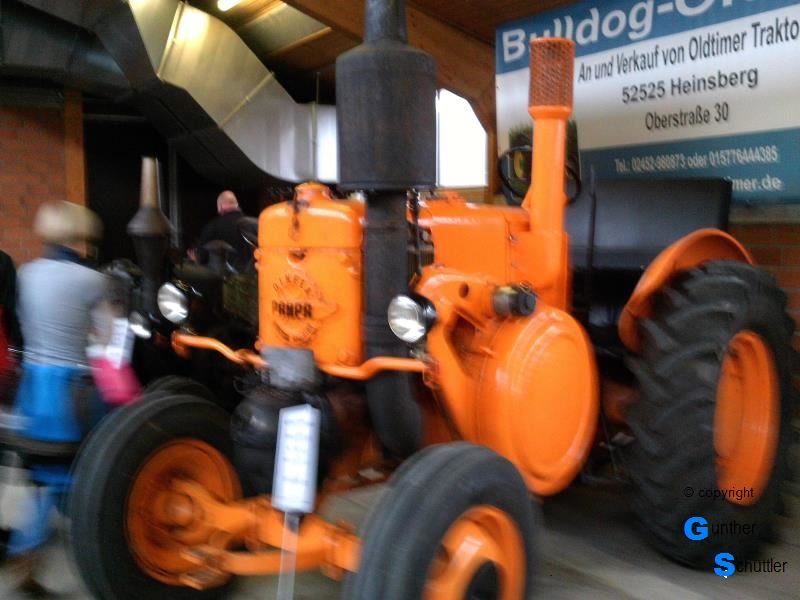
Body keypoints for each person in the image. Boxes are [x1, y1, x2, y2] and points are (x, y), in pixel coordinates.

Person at [7, 201, 110, 595]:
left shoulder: (27, 273)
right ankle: (32, 550)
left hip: (34, 385)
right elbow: (105, 337)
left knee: (46, 472)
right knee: (79, 468)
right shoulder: (92, 280)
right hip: (71, 391)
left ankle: (33, 546)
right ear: (79, 236)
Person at [194, 190, 252, 271]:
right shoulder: (253, 224)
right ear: (236, 204)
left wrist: (195, 258)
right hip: (254, 276)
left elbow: (202, 257)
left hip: (224, 277)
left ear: (220, 206)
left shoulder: (212, 227)